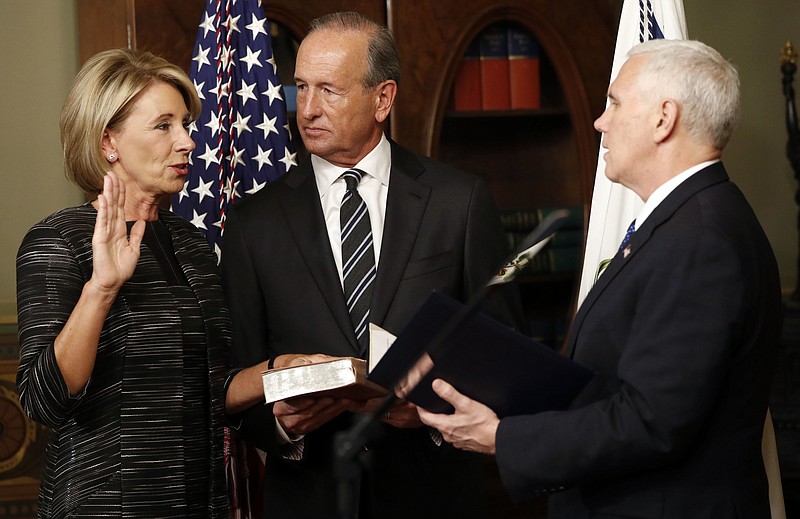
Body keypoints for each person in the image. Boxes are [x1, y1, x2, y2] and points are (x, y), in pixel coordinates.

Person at [419, 39, 783, 518]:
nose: (599, 122)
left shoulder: (700, 240)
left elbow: (652, 421)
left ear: (663, 118)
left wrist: (502, 438)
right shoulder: (687, 220)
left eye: (614, 103)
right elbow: (617, 376)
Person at [221, 11, 521, 519]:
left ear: (383, 98)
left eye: (329, 91)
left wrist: (429, 414)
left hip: (433, 495)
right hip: (310, 500)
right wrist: (284, 427)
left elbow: (505, 358)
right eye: (301, 88)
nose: (308, 109)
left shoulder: (459, 202)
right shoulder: (255, 221)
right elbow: (232, 381)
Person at [16, 49, 229, 518]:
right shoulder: (58, 239)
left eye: (186, 124)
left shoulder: (193, 244)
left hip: (201, 501)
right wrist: (103, 288)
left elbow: (214, 384)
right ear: (108, 140)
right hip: (106, 505)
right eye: (164, 125)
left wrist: (288, 369)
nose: (188, 142)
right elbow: (43, 400)